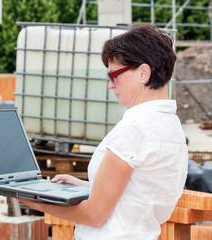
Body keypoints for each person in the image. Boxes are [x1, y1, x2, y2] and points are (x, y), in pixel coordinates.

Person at [19, 23, 188, 240]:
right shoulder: (171, 127)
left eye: (114, 75)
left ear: (143, 73)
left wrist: (35, 201)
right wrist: (89, 186)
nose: (111, 85)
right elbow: (140, 194)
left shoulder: (134, 129)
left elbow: (94, 215)